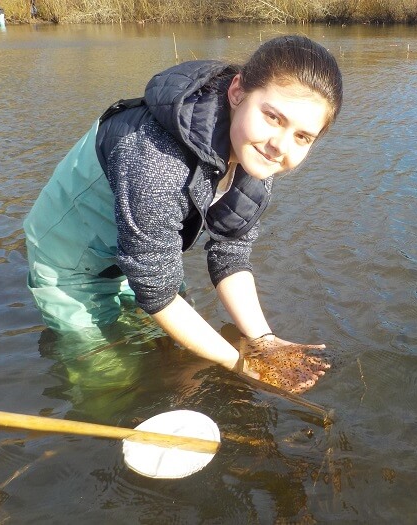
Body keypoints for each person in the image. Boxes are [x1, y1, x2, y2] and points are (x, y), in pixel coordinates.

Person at [23, 35, 342, 395]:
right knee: (110, 385)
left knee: (176, 357)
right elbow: (157, 290)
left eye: (302, 137)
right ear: (237, 91)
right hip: (72, 265)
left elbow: (230, 252)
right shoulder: (158, 158)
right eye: (272, 117)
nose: (280, 146)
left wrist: (265, 342)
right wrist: (241, 364)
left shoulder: (256, 157)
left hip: (141, 251)